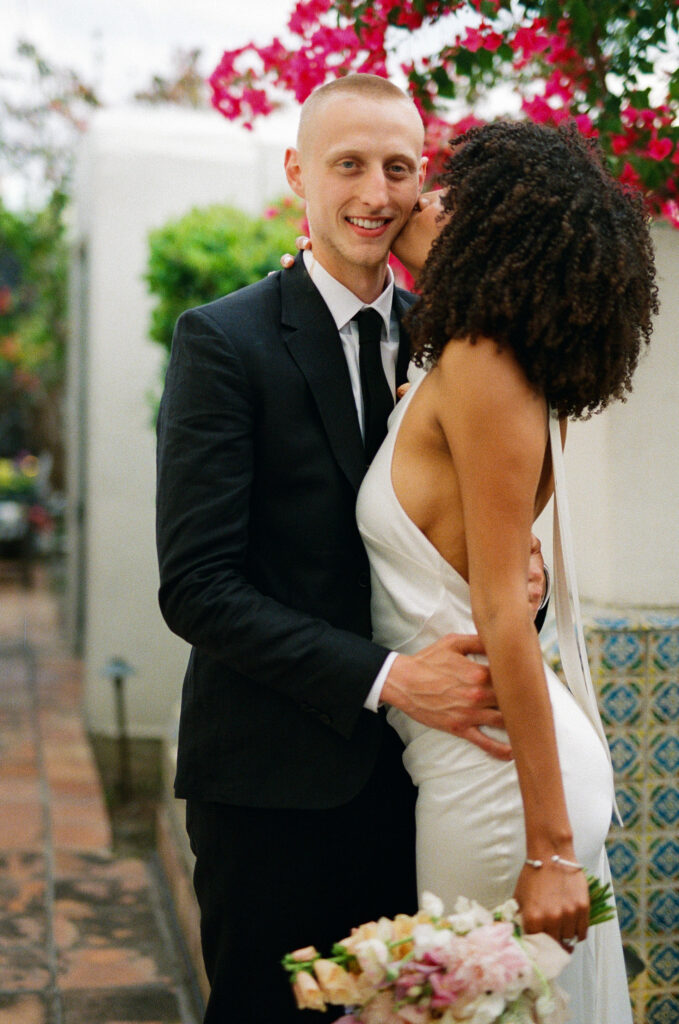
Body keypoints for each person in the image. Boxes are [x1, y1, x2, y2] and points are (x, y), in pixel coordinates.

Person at [155, 75, 548, 1023]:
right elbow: (198, 586)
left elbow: (447, 545)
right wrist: (389, 678)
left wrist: (520, 582)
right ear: (298, 172)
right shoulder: (223, 342)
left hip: (418, 783)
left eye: (399, 168)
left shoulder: (445, 344)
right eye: (349, 165)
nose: (377, 193)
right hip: (271, 788)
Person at [354, 121, 656, 1023]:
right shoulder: (458, 359)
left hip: (495, 784)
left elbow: (498, 614)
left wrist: (551, 848)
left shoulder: (485, 364)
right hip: (472, 759)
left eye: (455, 196)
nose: (424, 200)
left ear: (495, 237)